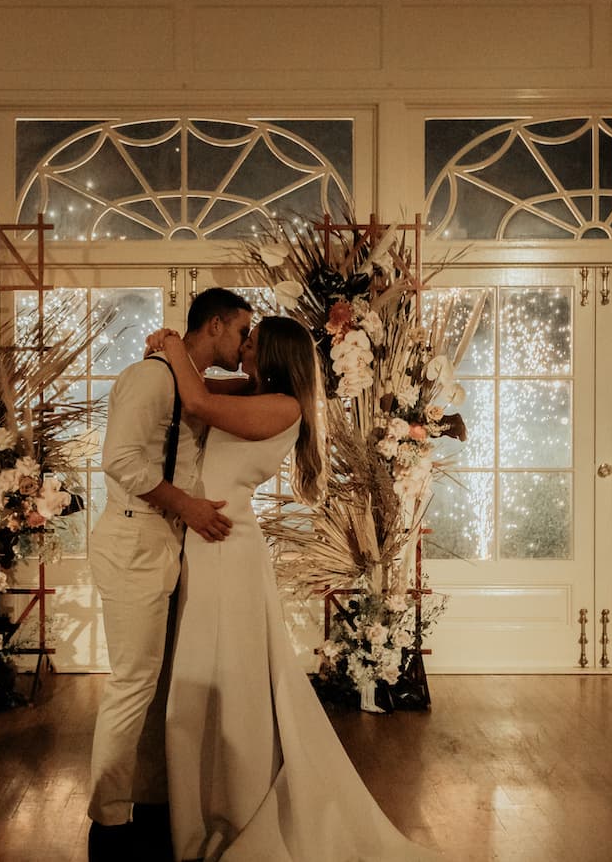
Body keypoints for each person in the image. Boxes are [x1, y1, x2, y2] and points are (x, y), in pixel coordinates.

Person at [152, 317, 431, 861]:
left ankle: (236, 802)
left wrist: (168, 343)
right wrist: (176, 358)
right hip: (207, 540)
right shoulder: (252, 391)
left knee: (229, 674)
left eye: (252, 342)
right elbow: (196, 388)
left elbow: (199, 404)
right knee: (203, 669)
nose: (243, 347)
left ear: (274, 355)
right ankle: (204, 800)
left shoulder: (284, 406)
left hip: (226, 547)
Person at [87, 288, 252, 861]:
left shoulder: (189, 382)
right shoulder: (151, 378)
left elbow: (226, 394)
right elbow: (120, 459)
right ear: (214, 326)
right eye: (240, 333)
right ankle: (106, 823)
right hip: (136, 536)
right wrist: (187, 505)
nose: (244, 344)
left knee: (160, 686)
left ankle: (151, 803)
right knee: (133, 682)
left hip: (168, 541)